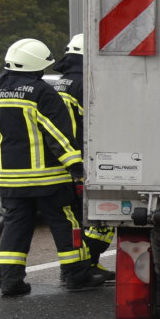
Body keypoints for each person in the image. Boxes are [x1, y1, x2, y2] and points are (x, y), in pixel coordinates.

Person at [0, 38, 110, 296]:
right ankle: (76, 275)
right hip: (48, 179)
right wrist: (75, 165)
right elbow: (56, 134)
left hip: (12, 180)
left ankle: (10, 281)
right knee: (65, 224)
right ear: (36, 66)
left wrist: (3, 161)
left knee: (15, 228)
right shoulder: (41, 92)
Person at [50, 33, 113, 267]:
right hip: (87, 158)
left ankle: (86, 264)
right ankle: (87, 263)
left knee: (79, 218)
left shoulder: (61, 82)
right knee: (102, 221)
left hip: (66, 158)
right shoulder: (88, 83)